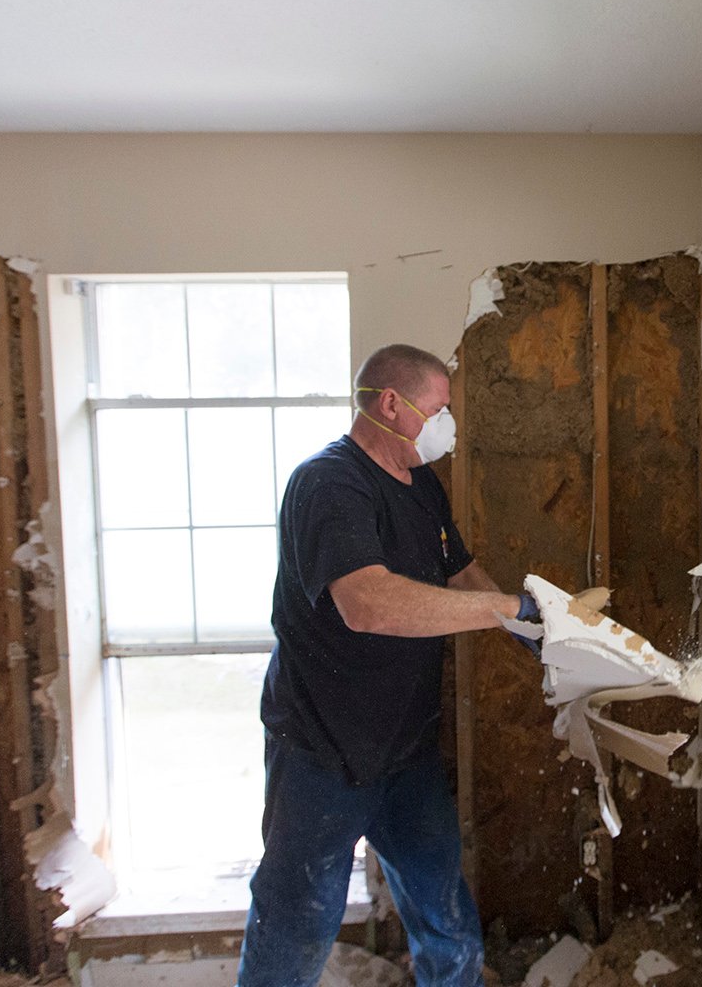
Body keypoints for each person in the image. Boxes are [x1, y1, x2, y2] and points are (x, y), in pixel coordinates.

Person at [238, 344, 536, 987]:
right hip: (322, 750)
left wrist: (532, 626)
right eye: (439, 409)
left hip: (405, 751)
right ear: (392, 405)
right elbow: (366, 603)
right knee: (298, 917)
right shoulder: (327, 484)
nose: (447, 424)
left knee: (442, 910)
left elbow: (460, 573)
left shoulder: (421, 484)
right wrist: (501, 607)